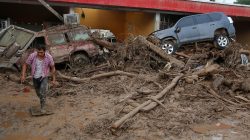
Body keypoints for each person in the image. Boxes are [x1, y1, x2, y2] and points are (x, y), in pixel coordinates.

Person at [21, 44, 56, 113]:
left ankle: (43, 108)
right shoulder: (33, 56)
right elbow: (25, 64)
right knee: (38, 93)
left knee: (42, 92)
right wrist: (23, 75)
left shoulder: (49, 57)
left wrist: (54, 79)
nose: (39, 54)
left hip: (44, 77)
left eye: (41, 52)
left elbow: (53, 67)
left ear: (44, 51)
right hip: (35, 77)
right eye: (38, 52)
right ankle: (43, 98)